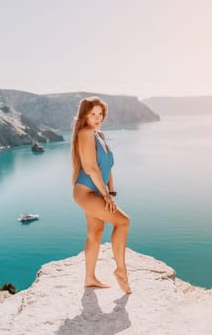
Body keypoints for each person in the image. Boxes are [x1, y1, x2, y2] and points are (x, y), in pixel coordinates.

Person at [71, 96, 131, 294]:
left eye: (100, 114)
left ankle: (90, 278)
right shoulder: (85, 133)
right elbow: (90, 168)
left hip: (98, 190)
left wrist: (111, 193)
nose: (97, 118)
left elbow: (108, 168)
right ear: (84, 115)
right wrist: (105, 196)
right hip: (86, 191)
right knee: (123, 222)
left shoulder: (99, 135)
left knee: (95, 233)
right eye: (93, 114)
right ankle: (121, 270)